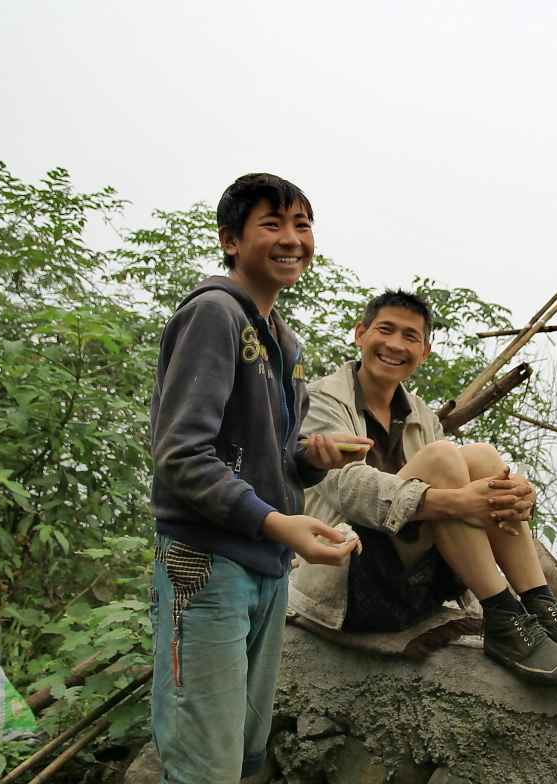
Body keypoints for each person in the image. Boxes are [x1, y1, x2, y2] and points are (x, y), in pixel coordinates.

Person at [148, 173, 372, 784]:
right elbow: (181, 455)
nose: (292, 239)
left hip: (265, 565)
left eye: (302, 224)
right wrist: (277, 522)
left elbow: (263, 456)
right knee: (203, 762)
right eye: (271, 224)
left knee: (245, 755)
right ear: (230, 239)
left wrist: (310, 459)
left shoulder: (282, 339)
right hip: (207, 561)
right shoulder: (213, 313)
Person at [290, 290, 557, 685]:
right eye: (385, 330)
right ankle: (503, 613)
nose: (396, 345)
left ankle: (542, 607)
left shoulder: (419, 413)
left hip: (421, 581)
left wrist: (521, 495)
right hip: (354, 579)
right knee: (444, 458)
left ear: (425, 352)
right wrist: (456, 500)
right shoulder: (322, 400)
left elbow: (470, 487)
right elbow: (342, 485)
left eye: (410, 337)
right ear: (360, 334)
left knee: (481, 456)